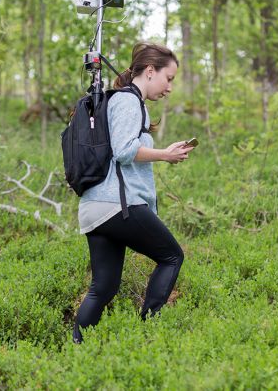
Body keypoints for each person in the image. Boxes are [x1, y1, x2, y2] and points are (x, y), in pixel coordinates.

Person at [73, 42, 194, 344]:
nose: (170, 87)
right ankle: (148, 334)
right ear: (150, 71)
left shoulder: (120, 101)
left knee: (103, 287)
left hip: (95, 206)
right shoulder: (129, 102)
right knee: (171, 256)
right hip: (118, 204)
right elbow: (125, 150)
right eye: (169, 78)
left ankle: (76, 348)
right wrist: (164, 154)